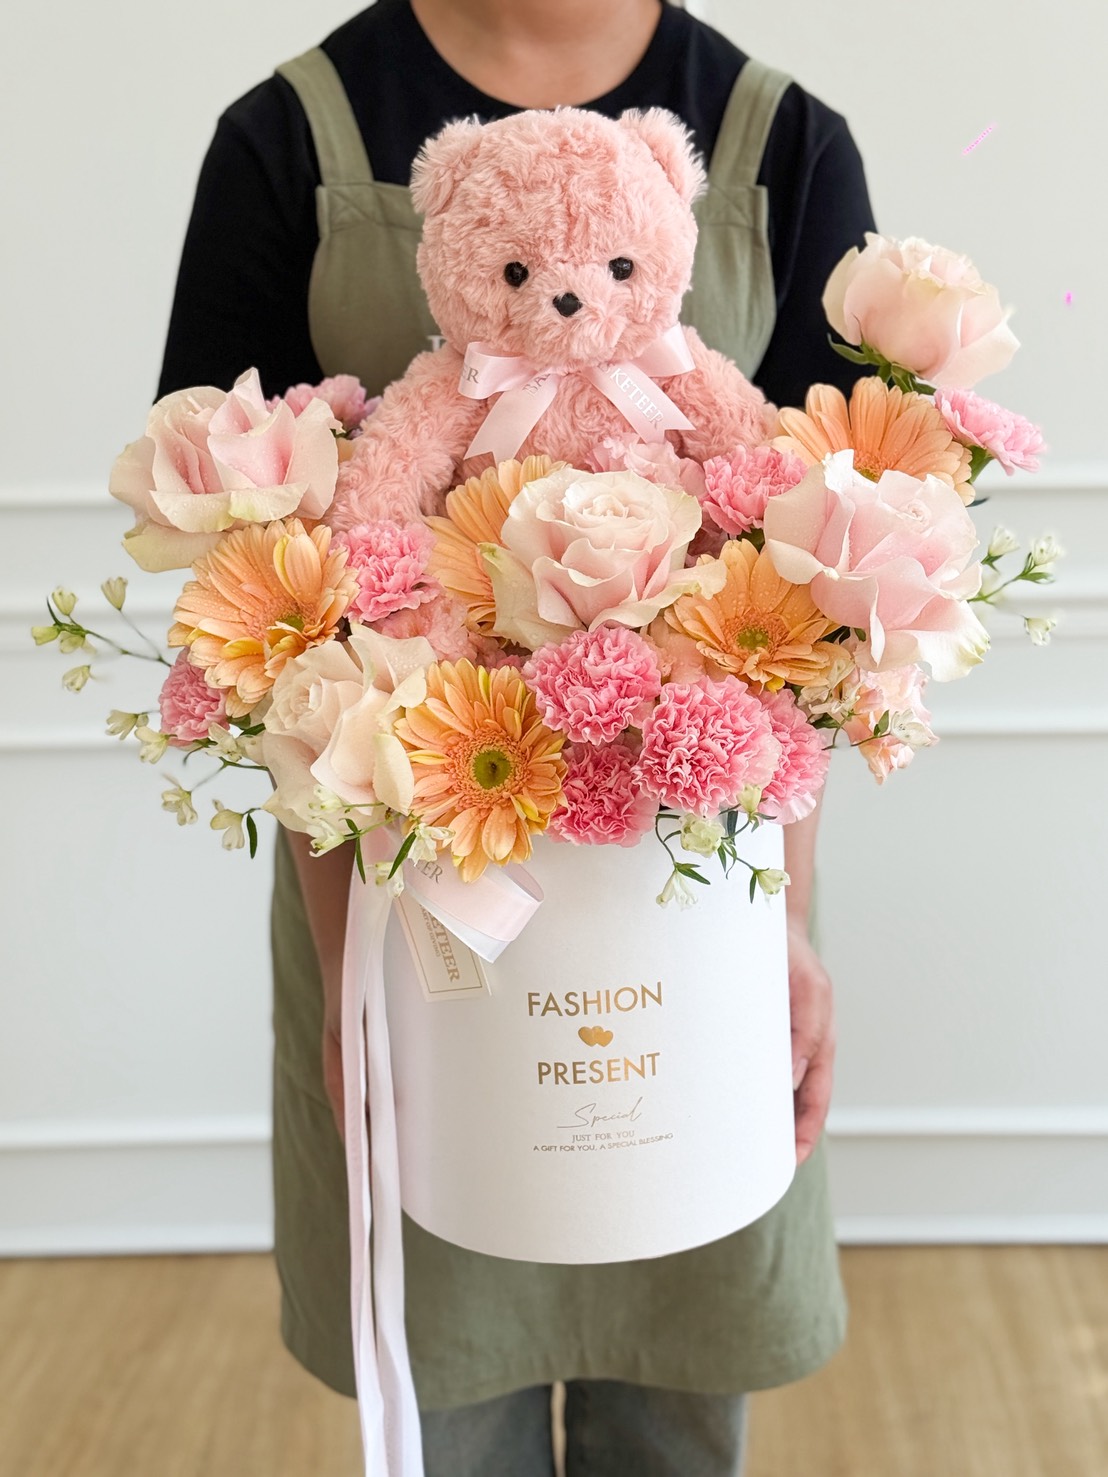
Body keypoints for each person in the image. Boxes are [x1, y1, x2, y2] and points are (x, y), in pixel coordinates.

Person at [157, 2, 876, 1472]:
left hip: (695, 924)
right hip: (405, 921)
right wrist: (348, 983)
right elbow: (255, 599)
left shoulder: (780, 139)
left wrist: (785, 925)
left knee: (679, 1405)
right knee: (448, 1400)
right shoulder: (291, 136)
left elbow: (817, 593)